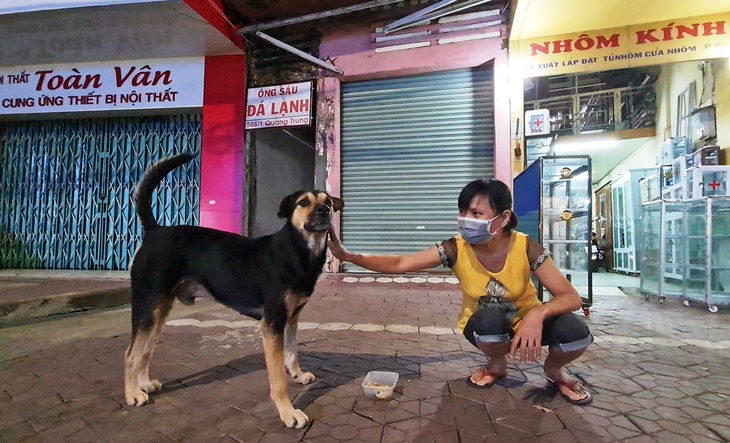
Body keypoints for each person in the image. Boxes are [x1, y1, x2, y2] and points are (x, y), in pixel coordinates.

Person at [327, 178, 594, 405]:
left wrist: (538, 314)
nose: (466, 220)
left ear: (503, 218)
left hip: (527, 324)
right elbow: (400, 263)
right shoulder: (455, 247)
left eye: (476, 214)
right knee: (488, 318)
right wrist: (348, 256)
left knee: (576, 333)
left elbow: (570, 297)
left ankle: (554, 370)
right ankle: (496, 365)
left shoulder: (525, 247)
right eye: (462, 211)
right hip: (484, 326)